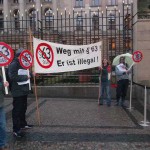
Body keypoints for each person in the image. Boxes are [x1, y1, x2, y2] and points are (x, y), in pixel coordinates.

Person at [8, 48, 33, 138]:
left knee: (23, 108)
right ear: (19, 56)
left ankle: (23, 124)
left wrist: (32, 74)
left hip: (24, 90)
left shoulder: (24, 63)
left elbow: (28, 73)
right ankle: (16, 129)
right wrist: (26, 77)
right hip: (17, 91)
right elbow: (12, 77)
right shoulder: (14, 64)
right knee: (17, 110)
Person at [0, 73, 9, 150]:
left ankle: (2, 143)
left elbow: (5, 93)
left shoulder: (0, 77)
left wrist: (5, 86)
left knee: (2, 125)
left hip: (1, 105)